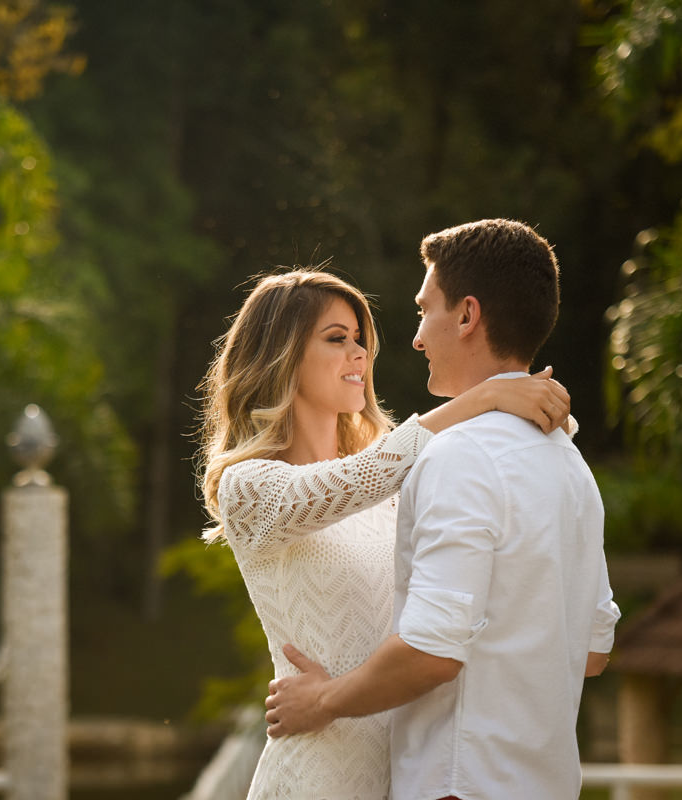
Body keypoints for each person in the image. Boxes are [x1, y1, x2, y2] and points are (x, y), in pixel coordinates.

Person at [263, 221, 621, 799]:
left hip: (461, 785)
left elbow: (432, 653)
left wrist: (322, 700)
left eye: (424, 310)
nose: (416, 338)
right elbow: (593, 652)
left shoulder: (460, 455)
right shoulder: (569, 465)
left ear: (466, 316)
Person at [197, 267, 572, 800]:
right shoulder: (248, 488)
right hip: (318, 774)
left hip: (410, 774)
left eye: (360, 340)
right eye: (336, 339)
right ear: (281, 355)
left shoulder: (397, 484)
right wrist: (487, 397)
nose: (359, 354)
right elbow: (363, 476)